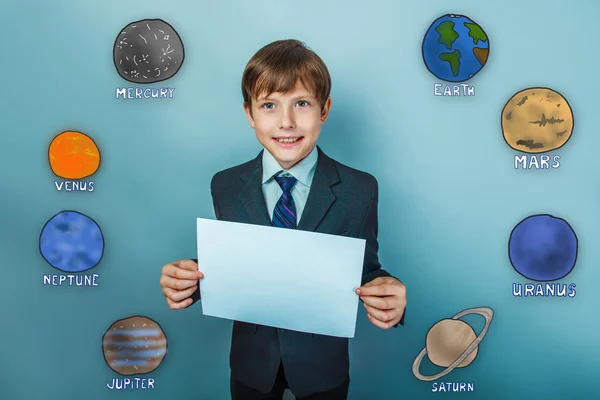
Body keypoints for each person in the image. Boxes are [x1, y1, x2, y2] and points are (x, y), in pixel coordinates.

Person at [159, 39, 407, 400]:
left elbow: (366, 269)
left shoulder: (360, 189)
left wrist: (389, 292)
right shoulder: (225, 185)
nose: (286, 122)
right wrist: (190, 280)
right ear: (250, 113)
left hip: (322, 366)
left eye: (302, 104)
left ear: (324, 110)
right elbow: (236, 263)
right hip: (251, 364)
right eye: (270, 105)